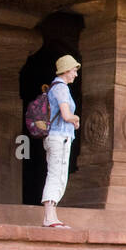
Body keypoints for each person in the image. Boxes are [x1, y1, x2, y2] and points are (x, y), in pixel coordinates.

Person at [42, 54, 81, 228]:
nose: (75, 74)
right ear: (66, 70)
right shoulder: (62, 88)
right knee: (56, 175)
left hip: (56, 136)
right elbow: (66, 115)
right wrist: (76, 118)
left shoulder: (54, 87)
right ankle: (49, 217)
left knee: (56, 174)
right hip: (60, 137)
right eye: (73, 70)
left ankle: (51, 217)